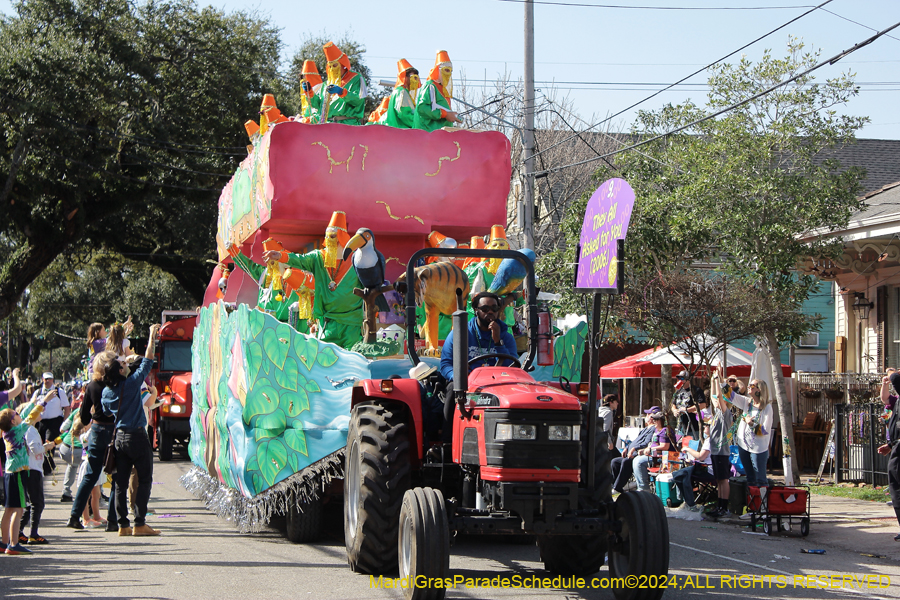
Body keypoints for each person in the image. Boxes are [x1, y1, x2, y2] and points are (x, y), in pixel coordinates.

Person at [262, 211, 364, 349]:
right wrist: (281, 256)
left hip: (351, 323)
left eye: (332, 236)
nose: (328, 241)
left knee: (353, 358)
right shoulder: (318, 258)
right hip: (327, 324)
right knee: (325, 358)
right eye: (327, 236)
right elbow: (300, 259)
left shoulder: (357, 259)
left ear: (342, 237)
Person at [100, 323, 161, 537]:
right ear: (120, 371)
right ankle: (140, 523)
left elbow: (106, 412)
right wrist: (151, 335)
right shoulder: (133, 383)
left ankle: (123, 525)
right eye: (122, 363)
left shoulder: (107, 393)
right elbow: (148, 359)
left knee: (120, 482)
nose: (125, 363)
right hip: (137, 436)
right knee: (144, 479)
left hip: (119, 438)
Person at [67, 350, 119, 531]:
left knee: (90, 475)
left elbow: (84, 416)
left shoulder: (92, 386)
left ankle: (74, 516)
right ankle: (113, 519)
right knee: (117, 474)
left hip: (96, 430)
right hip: (113, 430)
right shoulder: (117, 384)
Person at [1, 395, 52, 555]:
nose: (19, 414)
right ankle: (13, 544)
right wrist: (44, 401)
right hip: (18, 474)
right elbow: (30, 417)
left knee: (9, 510)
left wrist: (33, 401)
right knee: (19, 510)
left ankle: (4, 542)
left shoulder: (7, 432)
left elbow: (26, 414)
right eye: (16, 414)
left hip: (9, 473)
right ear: (13, 421)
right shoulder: (17, 431)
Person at [439, 292, 518, 383]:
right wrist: (459, 378)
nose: (490, 312)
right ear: (476, 311)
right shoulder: (460, 334)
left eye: (494, 308)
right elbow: (446, 364)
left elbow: (512, 369)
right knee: (451, 388)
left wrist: (498, 343)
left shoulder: (506, 337)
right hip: (467, 384)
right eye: (485, 309)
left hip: (497, 384)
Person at [724, 378, 773, 494]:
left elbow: (764, 431)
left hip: (758, 448)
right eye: (749, 385)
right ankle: (752, 502)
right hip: (743, 446)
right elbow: (730, 396)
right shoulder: (747, 402)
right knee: (750, 478)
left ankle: (763, 503)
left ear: (759, 390)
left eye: (752, 385)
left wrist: (750, 423)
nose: (749, 387)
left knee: (760, 478)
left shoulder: (767, 407)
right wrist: (720, 381)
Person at [17, 401, 54, 545]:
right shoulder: (30, 430)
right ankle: (32, 534)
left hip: (31, 468)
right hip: (32, 469)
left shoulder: (29, 429)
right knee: (36, 503)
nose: (41, 412)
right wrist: (46, 447)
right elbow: (35, 449)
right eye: (37, 410)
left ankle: (19, 531)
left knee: (32, 503)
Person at [703, 372, 735, 518]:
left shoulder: (725, 414)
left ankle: (724, 506)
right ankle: (719, 505)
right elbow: (713, 396)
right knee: (719, 480)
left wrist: (718, 381)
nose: (715, 401)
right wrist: (712, 380)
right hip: (715, 451)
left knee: (724, 480)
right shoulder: (716, 414)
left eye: (719, 400)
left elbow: (719, 396)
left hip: (722, 451)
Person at [311, 42, 367, 124]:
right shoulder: (326, 84)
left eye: (335, 65)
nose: (332, 69)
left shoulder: (355, 78)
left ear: (342, 64)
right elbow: (318, 106)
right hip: (327, 125)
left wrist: (342, 92)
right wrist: (309, 92)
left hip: (347, 125)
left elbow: (358, 101)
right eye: (330, 66)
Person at [672, 422, 716, 513]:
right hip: (710, 469)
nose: (704, 427)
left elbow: (701, 457)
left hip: (708, 470)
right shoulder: (715, 438)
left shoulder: (710, 440)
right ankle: (688, 502)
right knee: (682, 474)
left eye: (707, 426)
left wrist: (687, 448)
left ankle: (689, 503)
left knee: (682, 474)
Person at [414, 51, 463, 131]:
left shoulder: (442, 89)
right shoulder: (430, 86)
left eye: (450, 71)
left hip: (442, 133)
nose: (449, 74)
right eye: (446, 70)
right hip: (429, 133)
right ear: (438, 70)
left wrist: (451, 115)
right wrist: (445, 114)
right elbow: (422, 108)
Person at [611, 410, 657, 493]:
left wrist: (634, 449)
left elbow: (646, 443)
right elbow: (635, 441)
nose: (646, 415)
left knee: (626, 461)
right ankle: (615, 485)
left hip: (638, 454)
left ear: (653, 418)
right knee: (615, 462)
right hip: (630, 453)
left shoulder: (653, 429)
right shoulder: (645, 429)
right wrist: (627, 448)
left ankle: (617, 488)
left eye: (648, 414)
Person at [879, 371, 900, 541]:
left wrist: (891, 375)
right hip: (896, 447)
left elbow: (895, 377)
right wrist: (891, 445)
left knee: (897, 488)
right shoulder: (897, 401)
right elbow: (885, 399)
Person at [633, 410, 674, 493]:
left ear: (661, 421)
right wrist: (645, 449)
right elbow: (653, 443)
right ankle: (640, 486)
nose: (653, 421)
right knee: (636, 459)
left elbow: (665, 446)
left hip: (664, 458)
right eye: (653, 419)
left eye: (656, 420)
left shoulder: (665, 431)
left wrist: (650, 449)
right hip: (654, 455)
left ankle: (644, 488)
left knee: (639, 462)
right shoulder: (657, 430)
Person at [29, 372, 69, 444]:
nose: (48, 381)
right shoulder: (37, 392)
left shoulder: (59, 392)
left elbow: (66, 408)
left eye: (50, 379)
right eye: (46, 379)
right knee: (39, 444)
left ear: (52, 380)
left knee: (49, 443)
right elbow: (32, 406)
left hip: (54, 422)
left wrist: (65, 422)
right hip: (40, 422)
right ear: (42, 379)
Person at [57, 409, 84, 502]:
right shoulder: (95, 412)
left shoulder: (77, 411)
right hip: (80, 450)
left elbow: (62, 429)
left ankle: (66, 492)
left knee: (72, 466)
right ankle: (95, 494)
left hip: (65, 448)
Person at [385, 59, 420, 129]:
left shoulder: (401, 91)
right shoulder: (401, 92)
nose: (415, 80)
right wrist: (419, 122)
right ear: (404, 77)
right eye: (413, 77)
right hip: (401, 131)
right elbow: (404, 114)